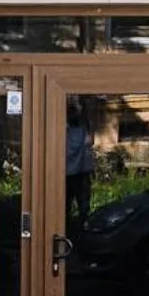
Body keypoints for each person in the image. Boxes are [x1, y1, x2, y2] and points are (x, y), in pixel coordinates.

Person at [65, 97, 96, 230]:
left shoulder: (82, 128)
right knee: (78, 206)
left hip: (75, 173)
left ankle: (78, 229)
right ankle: (79, 229)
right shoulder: (81, 129)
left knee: (75, 206)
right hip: (74, 173)